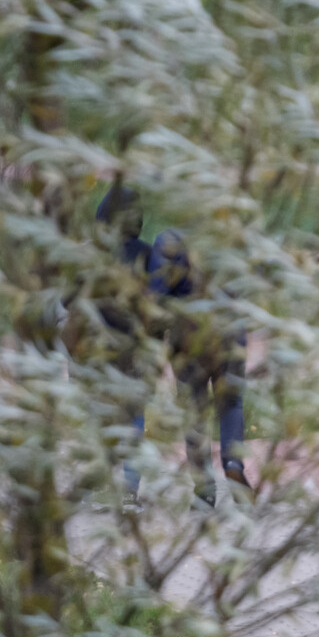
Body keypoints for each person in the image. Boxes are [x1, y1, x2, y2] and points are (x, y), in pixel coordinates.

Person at [96, 188, 248, 502]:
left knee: (193, 408)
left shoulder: (168, 242)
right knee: (231, 403)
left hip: (191, 335)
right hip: (232, 329)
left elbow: (156, 300)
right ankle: (233, 462)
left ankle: (203, 490)